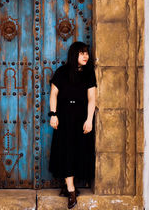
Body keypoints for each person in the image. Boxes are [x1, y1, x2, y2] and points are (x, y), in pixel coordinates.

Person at [48, 41, 97, 209]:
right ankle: (71, 190)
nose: (86, 56)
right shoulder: (61, 72)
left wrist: (89, 119)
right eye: (82, 53)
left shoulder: (89, 74)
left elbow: (92, 99)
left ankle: (67, 185)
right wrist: (53, 114)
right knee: (66, 151)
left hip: (81, 117)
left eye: (87, 53)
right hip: (64, 117)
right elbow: (54, 94)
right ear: (74, 54)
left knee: (77, 152)